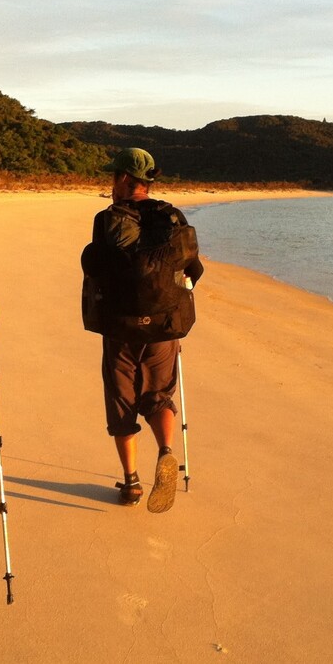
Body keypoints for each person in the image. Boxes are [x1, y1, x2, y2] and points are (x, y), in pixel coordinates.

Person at [86, 148, 204, 512]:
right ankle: (166, 451)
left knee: (122, 401)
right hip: (165, 326)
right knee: (158, 395)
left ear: (124, 178)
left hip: (121, 328)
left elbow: (95, 267)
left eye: (113, 177)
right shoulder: (172, 216)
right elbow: (194, 271)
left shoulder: (108, 219)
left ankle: (131, 483)